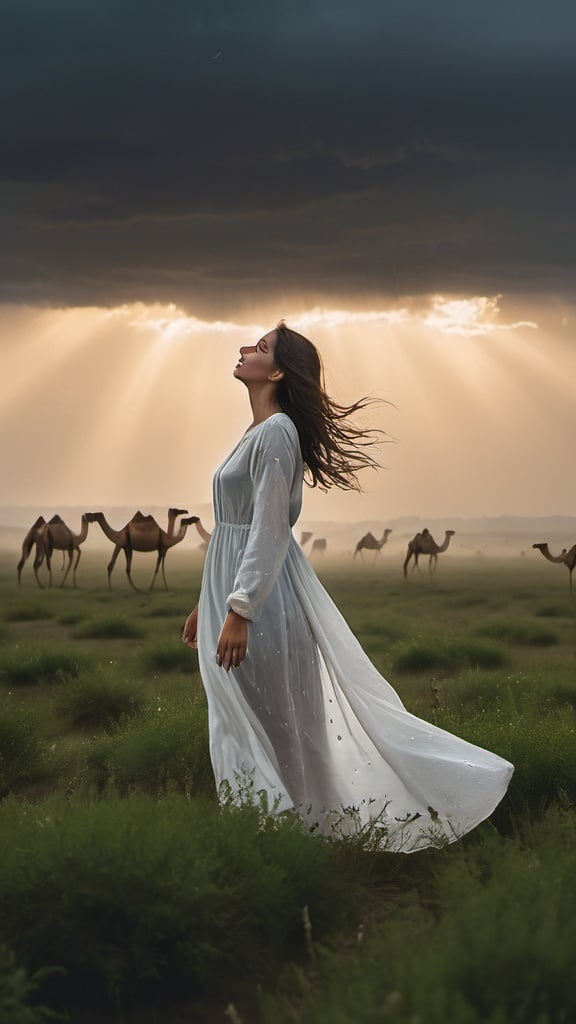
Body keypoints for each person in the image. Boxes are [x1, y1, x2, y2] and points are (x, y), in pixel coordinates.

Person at [182, 322, 513, 852]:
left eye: (260, 347)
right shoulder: (257, 432)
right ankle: (284, 839)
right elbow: (232, 529)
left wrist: (240, 609)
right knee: (245, 723)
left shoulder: (277, 433)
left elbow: (268, 530)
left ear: (278, 371)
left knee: (279, 730)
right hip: (239, 596)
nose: (245, 350)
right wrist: (209, 601)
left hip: (264, 607)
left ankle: (299, 843)